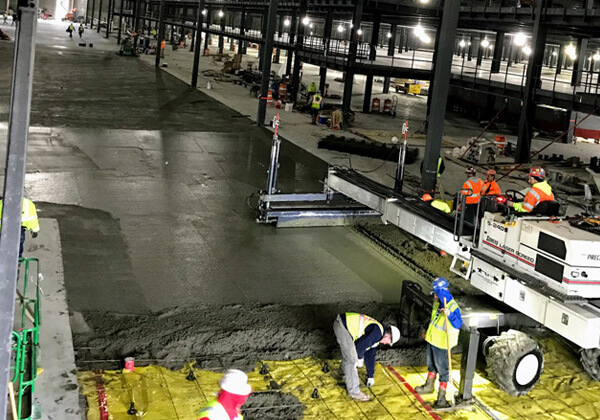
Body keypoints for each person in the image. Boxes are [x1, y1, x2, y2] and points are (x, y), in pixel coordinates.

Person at [415, 278, 462, 409]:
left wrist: (450, 315)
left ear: (441, 293)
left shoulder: (452, 306)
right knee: (431, 365)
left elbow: (458, 323)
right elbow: (433, 321)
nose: (434, 296)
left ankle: (441, 398)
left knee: (443, 370)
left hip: (442, 343)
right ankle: (429, 386)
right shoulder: (437, 303)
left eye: (435, 293)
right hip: (432, 340)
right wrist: (427, 331)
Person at [333, 312, 401, 402]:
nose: (386, 344)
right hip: (342, 326)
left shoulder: (377, 336)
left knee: (350, 356)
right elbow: (360, 345)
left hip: (342, 323)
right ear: (388, 336)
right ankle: (354, 392)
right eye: (388, 342)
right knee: (352, 360)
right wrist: (360, 358)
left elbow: (370, 356)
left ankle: (341, 375)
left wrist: (370, 376)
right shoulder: (377, 333)